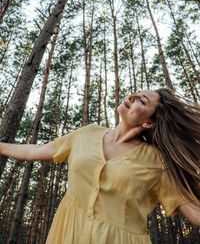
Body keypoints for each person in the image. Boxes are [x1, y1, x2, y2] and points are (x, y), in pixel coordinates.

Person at [0, 88, 200, 244]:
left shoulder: (157, 161)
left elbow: (191, 209)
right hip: (68, 234)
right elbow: (35, 151)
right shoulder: (87, 133)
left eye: (141, 100)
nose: (131, 97)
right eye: (136, 93)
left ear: (148, 123)